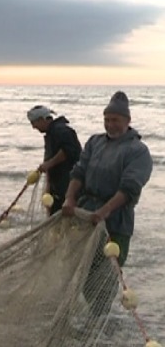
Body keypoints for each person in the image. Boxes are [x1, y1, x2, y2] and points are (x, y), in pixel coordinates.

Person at [62, 91, 152, 316]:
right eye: (106, 120)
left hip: (116, 224)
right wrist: (70, 198)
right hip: (85, 217)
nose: (110, 125)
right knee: (81, 273)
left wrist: (105, 211)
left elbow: (130, 188)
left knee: (104, 279)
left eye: (115, 120)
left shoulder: (138, 151)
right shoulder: (95, 142)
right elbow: (79, 172)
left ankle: (100, 326)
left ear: (128, 121)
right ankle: (93, 321)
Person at [27, 105, 82, 215]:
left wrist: (48, 164)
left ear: (42, 119)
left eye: (34, 123)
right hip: (57, 184)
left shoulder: (61, 130)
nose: (33, 127)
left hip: (68, 183)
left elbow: (68, 151)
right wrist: (48, 189)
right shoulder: (51, 133)